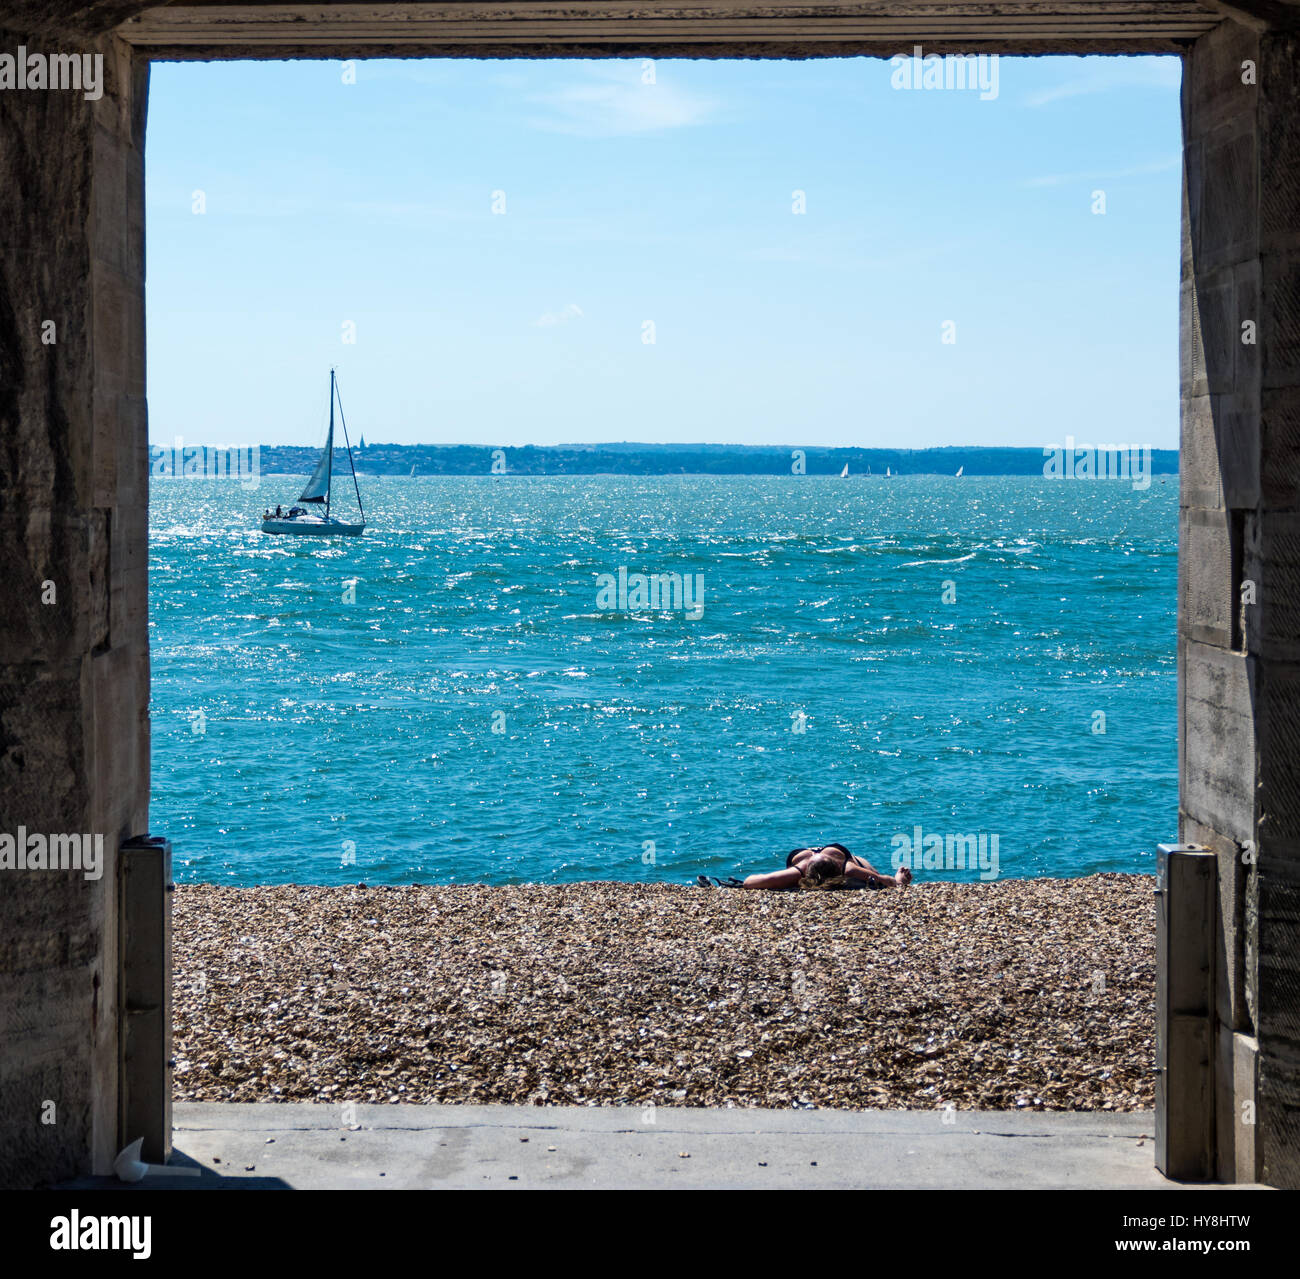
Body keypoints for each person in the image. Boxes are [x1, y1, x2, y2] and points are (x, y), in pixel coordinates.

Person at [697, 843, 912, 892]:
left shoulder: (798, 870)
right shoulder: (847, 868)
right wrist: (897, 880)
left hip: (812, 862)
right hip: (845, 858)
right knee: (863, 866)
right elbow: (886, 881)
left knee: (866, 871)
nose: (819, 853)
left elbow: (752, 881)